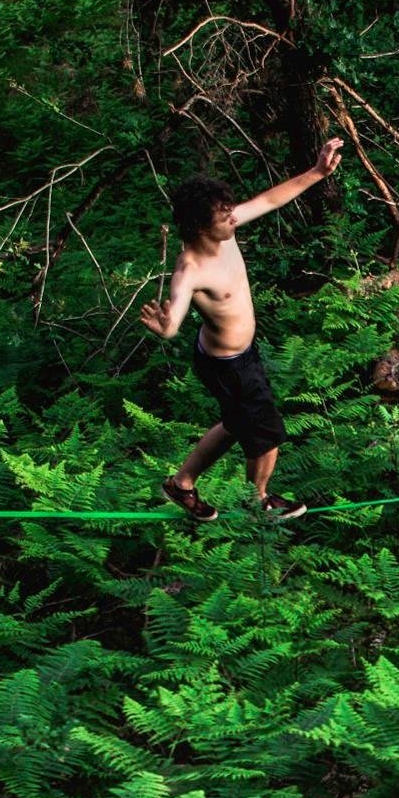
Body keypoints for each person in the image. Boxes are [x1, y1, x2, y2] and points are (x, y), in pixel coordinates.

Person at [141, 137, 346, 524]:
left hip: (238, 356)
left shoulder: (225, 229)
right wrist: (165, 327)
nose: (233, 218)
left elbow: (270, 200)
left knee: (237, 424)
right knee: (267, 437)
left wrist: (318, 172)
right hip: (228, 366)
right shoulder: (191, 271)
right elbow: (175, 318)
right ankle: (259, 502)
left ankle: (181, 484)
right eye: (224, 216)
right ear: (202, 225)